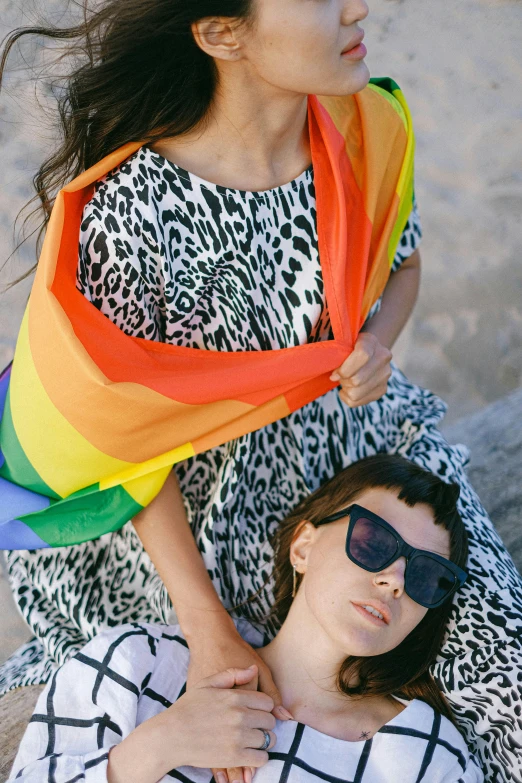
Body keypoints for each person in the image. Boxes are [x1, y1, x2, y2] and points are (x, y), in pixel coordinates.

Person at [0, 2, 521, 781]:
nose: (358, 8)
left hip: (361, 453)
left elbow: (402, 261)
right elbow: (117, 443)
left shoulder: (364, 124)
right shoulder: (128, 213)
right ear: (220, 33)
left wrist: (377, 340)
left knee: (503, 672)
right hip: (194, 504)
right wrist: (204, 621)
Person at [9, 456, 483, 783]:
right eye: (374, 541)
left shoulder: (422, 751)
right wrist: (156, 747)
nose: (395, 579)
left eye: (427, 575)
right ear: (303, 547)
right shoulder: (137, 663)